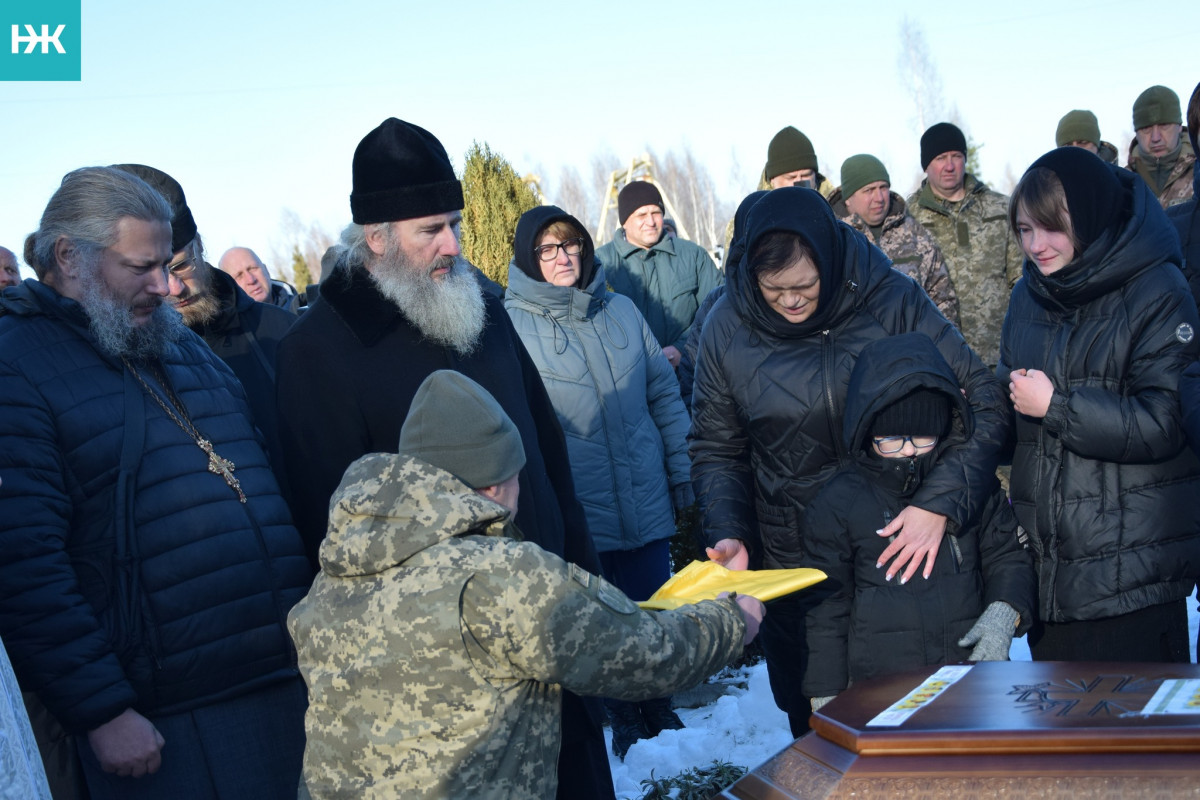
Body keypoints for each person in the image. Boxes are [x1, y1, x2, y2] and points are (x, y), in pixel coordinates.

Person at [274, 117, 613, 800]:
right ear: (375, 237)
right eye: (430, 229)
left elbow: (549, 465)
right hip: (450, 685)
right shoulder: (318, 353)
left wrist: (586, 590)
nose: (453, 244)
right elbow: (335, 538)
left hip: (552, 629)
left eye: (453, 223)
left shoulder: (483, 307)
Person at [288, 370, 761, 799]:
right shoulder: (499, 576)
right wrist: (731, 620)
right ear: (495, 485)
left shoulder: (336, 578)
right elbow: (643, 655)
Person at [0, 167, 310, 798]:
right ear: (69, 257)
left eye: (168, 264)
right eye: (141, 267)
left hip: (280, 678)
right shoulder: (16, 367)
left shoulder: (180, 345)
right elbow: (25, 561)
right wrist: (102, 709)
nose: (166, 286)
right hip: (161, 721)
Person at [691, 186, 1008, 736]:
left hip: (909, 556)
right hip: (805, 573)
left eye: (805, 286)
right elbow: (717, 449)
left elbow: (981, 401)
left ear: (830, 261)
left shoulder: (893, 300)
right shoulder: (726, 327)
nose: (791, 301)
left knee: (936, 736)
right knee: (822, 738)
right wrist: (730, 531)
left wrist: (939, 504)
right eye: (775, 290)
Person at [505, 205, 694, 758]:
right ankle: (623, 715)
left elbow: (662, 391)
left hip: (644, 490)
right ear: (529, 258)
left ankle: (659, 706)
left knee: (651, 605)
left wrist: (682, 466)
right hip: (579, 505)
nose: (563, 258)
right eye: (548, 249)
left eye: (571, 246)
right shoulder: (512, 326)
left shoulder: (623, 311)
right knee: (600, 616)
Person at [1000, 146, 1200, 663]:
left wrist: (1058, 407)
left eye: (1051, 227)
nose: (1036, 245)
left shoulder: (1157, 288)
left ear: (1089, 217)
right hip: (1054, 579)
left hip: (1132, 579)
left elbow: (1165, 421)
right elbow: (1016, 411)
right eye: (1024, 230)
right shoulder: (1029, 294)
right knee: (1065, 742)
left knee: (1138, 741)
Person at [802, 333, 1035, 710]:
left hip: (970, 680)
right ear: (866, 431)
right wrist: (826, 692)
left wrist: (1003, 614)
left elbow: (1008, 556)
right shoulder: (839, 502)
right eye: (892, 439)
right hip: (878, 690)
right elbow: (827, 607)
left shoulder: (973, 489)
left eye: (922, 437)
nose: (909, 450)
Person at [113, 165, 295, 469]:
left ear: (199, 245)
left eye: (181, 265)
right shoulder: (120, 363)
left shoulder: (281, 330)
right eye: (148, 270)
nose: (174, 287)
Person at [907, 122, 1023, 367]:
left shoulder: (1000, 209)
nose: (949, 166)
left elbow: (1022, 280)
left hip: (1001, 357)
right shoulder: (908, 218)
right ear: (926, 164)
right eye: (940, 158)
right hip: (940, 360)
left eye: (956, 156)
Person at [594, 181, 723, 370]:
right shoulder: (601, 264)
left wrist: (684, 348)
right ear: (625, 220)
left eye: (656, 213)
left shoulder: (693, 255)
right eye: (641, 215)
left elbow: (717, 309)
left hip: (690, 374)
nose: (651, 221)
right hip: (631, 379)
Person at [830, 154, 960, 325]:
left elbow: (943, 299)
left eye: (883, 188)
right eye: (869, 190)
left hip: (914, 346)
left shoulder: (914, 234)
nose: (879, 198)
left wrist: (941, 345)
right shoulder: (834, 239)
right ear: (848, 198)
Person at [1126, 85, 1195, 210]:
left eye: (1164, 125)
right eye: (1146, 128)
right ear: (1136, 133)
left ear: (1179, 126)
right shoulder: (1122, 182)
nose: (1156, 137)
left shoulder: (1197, 173)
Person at [218, 246, 300, 313]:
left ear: (266, 269)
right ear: (229, 288)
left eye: (253, 268)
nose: (251, 280)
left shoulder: (304, 309)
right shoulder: (229, 332)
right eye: (239, 276)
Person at [759, 126, 835, 197]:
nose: (799, 182)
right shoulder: (755, 210)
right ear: (772, 180)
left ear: (815, 175)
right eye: (791, 177)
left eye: (806, 175)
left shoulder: (836, 208)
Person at [1054, 110, 1119, 164]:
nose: (1075, 149)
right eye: (1068, 146)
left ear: (1097, 146)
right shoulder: (1047, 177)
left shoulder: (1121, 178)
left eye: (1083, 142)